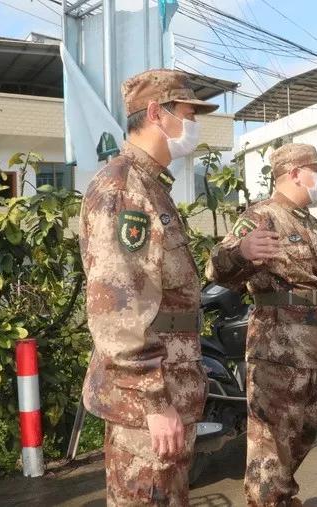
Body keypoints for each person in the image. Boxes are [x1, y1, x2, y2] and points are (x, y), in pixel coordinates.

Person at [79, 68, 217, 506]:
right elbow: (118, 308)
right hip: (148, 402)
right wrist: (155, 402)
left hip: (169, 387)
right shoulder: (124, 189)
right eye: (189, 113)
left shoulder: (150, 186)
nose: (194, 125)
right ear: (157, 113)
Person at [205, 143, 317, 507]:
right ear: (294, 173)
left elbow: (315, 272)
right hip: (278, 350)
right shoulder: (261, 216)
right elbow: (216, 269)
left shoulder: (309, 222)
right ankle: (270, 501)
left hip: (315, 347)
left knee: (304, 432)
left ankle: (279, 495)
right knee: (271, 442)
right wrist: (241, 252)